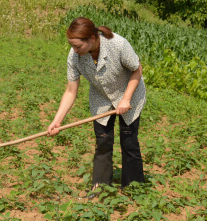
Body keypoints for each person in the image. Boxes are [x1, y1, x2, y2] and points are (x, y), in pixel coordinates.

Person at [47, 17, 146, 198]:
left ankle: (134, 189)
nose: (75, 50)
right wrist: (57, 121)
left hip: (130, 93)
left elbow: (137, 69)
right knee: (103, 143)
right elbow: (70, 91)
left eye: (78, 46)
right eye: (73, 46)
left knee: (129, 141)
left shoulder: (118, 44)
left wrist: (125, 99)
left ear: (92, 39)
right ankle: (100, 190)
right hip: (101, 98)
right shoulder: (75, 56)